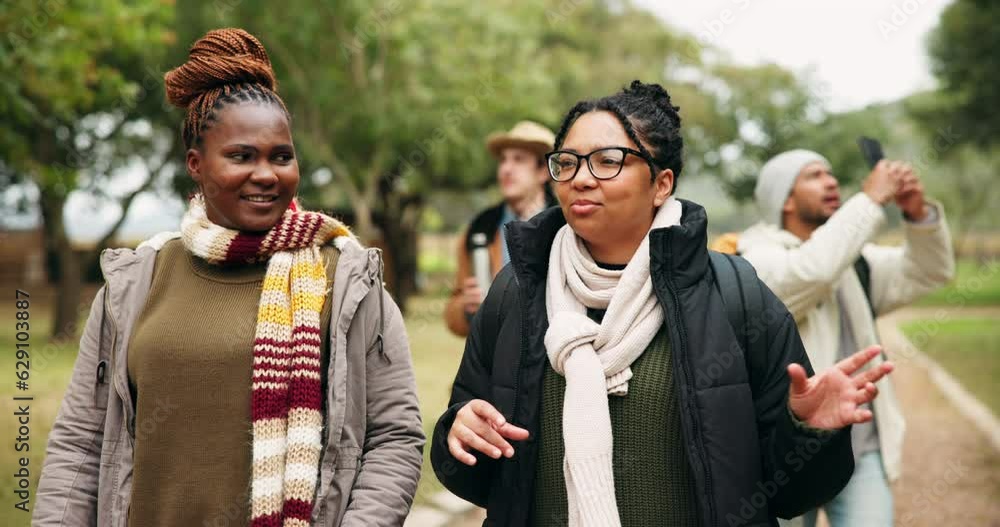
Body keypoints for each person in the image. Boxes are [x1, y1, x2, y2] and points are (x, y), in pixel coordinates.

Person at [431, 80, 896, 527]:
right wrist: (459, 432)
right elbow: (482, 477)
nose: (581, 178)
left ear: (661, 184)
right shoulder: (518, 291)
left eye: (608, 161)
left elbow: (789, 494)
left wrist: (808, 432)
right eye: (567, 162)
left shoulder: (735, 293)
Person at [34, 28, 424, 527]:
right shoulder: (137, 281)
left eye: (281, 156)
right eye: (241, 156)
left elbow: (393, 438)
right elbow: (81, 441)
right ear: (196, 164)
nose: (266, 174)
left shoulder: (346, 280)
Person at [739, 150, 955, 527]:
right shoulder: (751, 258)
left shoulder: (853, 260)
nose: (831, 181)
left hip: (859, 443)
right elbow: (812, 272)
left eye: (831, 172)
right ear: (784, 198)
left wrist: (918, 215)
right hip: (786, 450)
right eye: (814, 175)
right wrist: (870, 199)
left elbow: (928, 271)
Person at [444, 120, 557, 337]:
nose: (506, 169)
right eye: (503, 160)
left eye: (519, 159)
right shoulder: (479, 229)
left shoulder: (566, 226)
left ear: (543, 171)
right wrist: (466, 307)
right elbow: (453, 314)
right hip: (495, 352)